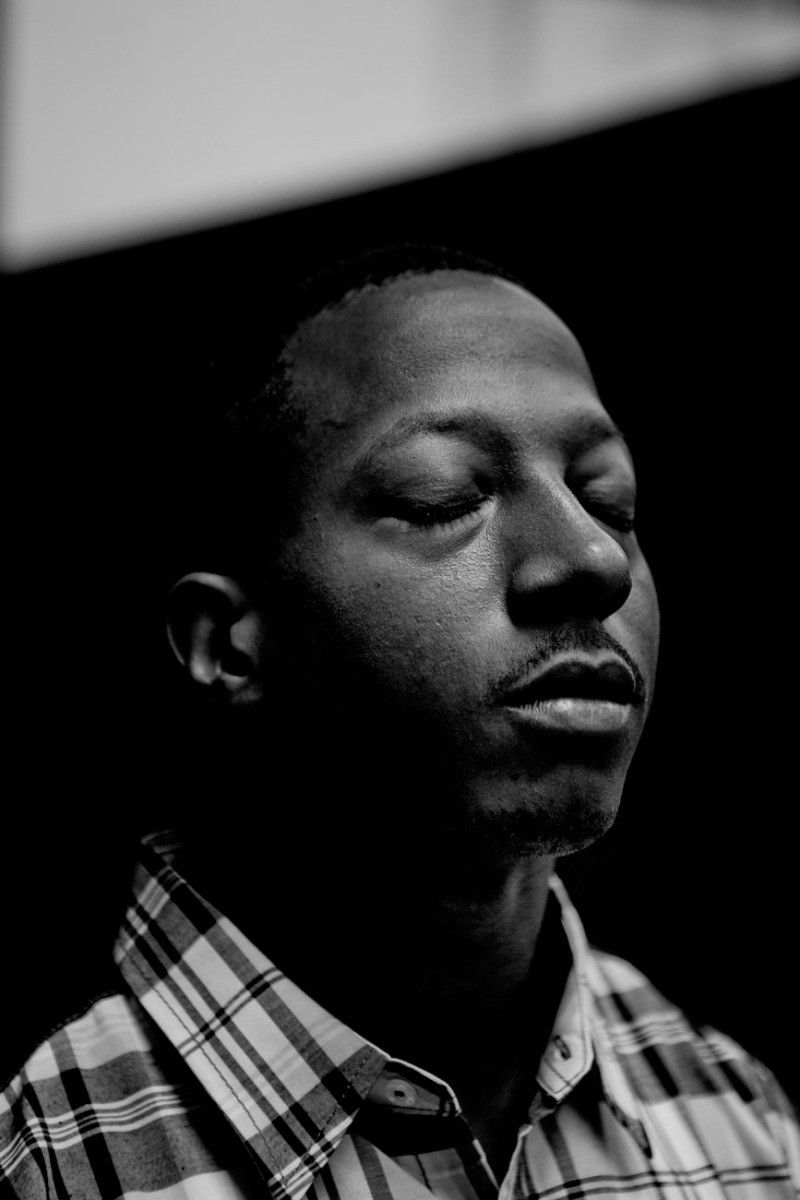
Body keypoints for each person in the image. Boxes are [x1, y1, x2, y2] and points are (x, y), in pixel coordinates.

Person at [2, 245, 798, 1200]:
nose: (594, 560)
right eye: (443, 498)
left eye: (609, 501)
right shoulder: (34, 1152)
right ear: (229, 644)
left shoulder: (741, 1119)